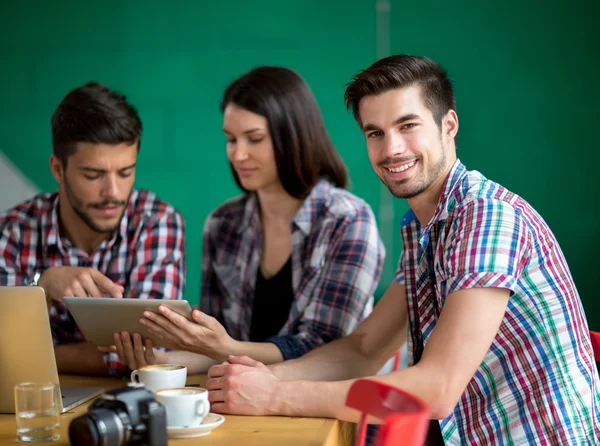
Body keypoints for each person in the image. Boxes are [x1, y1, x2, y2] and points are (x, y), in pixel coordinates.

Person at [202, 56, 600, 444]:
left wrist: (276, 397)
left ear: (449, 125)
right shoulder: (424, 229)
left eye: (407, 126)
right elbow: (364, 348)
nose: (391, 149)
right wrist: (265, 377)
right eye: (375, 132)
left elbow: (436, 390)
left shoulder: (486, 217)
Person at [106, 66, 386, 374]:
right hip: (241, 401)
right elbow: (214, 349)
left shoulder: (347, 221)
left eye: (254, 139)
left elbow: (323, 348)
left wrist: (225, 347)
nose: (238, 154)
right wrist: (160, 362)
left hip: (324, 406)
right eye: (231, 139)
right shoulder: (223, 224)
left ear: (292, 136)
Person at [0, 82, 186, 377]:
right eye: (93, 175)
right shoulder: (12, 231)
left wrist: (40, 355)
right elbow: (3, 353)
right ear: (58, 169)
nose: (113, 192)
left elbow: (146, 353)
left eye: (125, 172)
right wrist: (42, 286)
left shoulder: (157, 222)